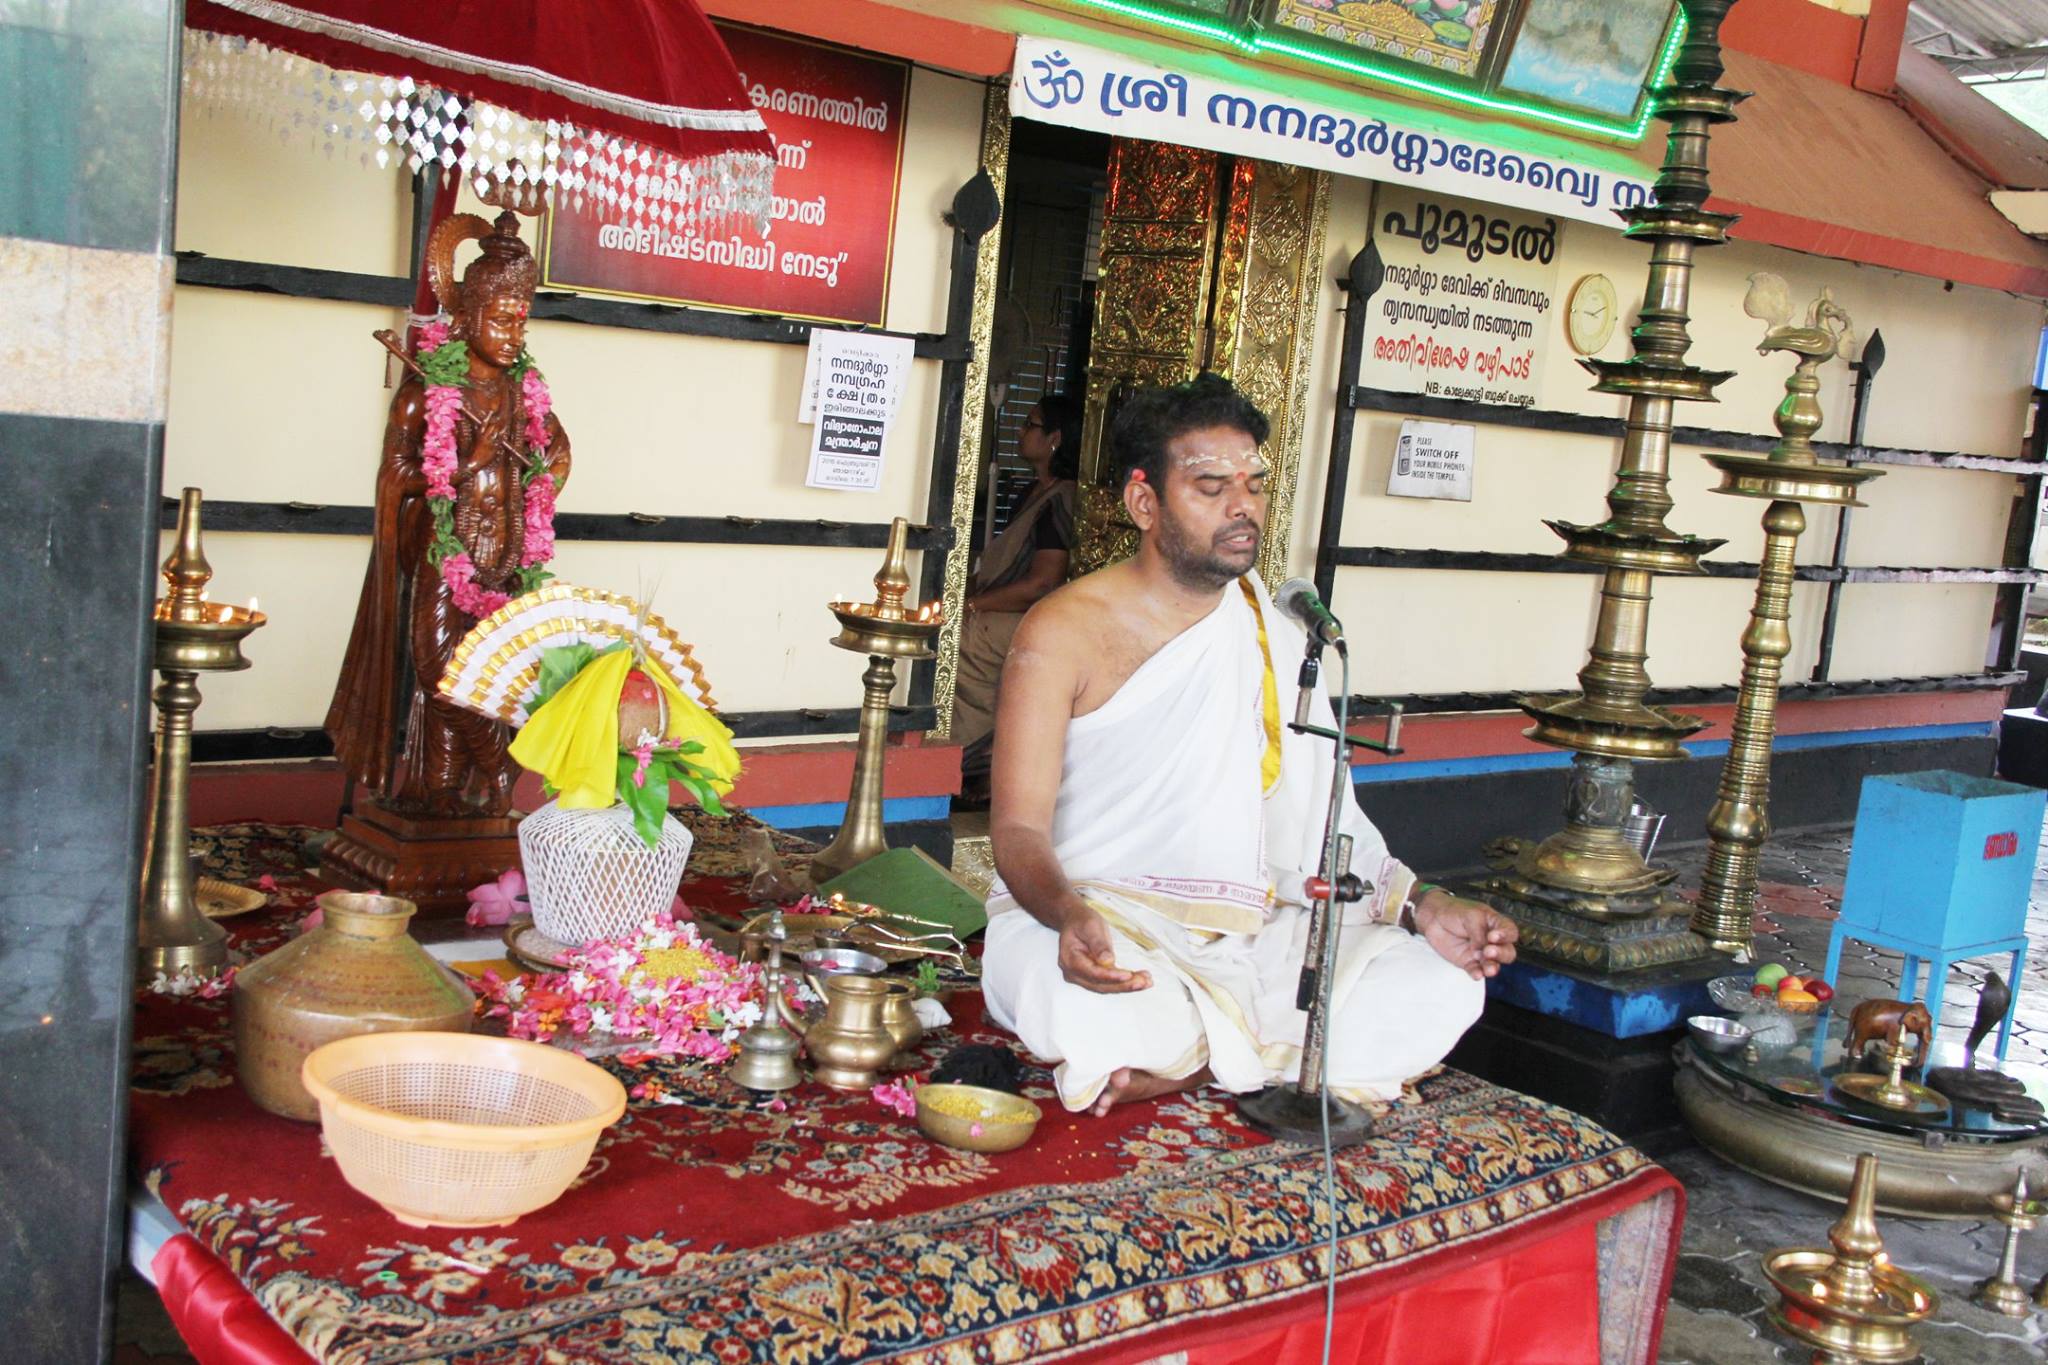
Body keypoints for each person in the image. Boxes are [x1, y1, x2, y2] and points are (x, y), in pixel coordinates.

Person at [982, 373, 1517, 1115]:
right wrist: (1069, 917)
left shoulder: (1276, 628)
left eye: (1254, 484)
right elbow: (1015, 828)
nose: (1243, 506)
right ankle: (1256, 1054)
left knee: (1441, 984)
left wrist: (1422, 903)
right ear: (1145, 501)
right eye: (1210, 486)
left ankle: (1197, 1063)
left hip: (1258, 928)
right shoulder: (1062, 631)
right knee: (1064, 995)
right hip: (1110, 920)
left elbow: (1330, 818)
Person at [326, 209, 571, 817]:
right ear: (467, 315)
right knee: (441, 671)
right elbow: (395, 475)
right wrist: (468, 466)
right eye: (503, 320)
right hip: (446, 551)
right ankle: (500, 768)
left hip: (510, 555)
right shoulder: (426, 394)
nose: (516, 336)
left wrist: (542, 477)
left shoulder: (525, 394)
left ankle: (442, 791)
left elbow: (559, 452)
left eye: (523, 322)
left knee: (497, 673)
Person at [952, 394, 1081, 805]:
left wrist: (972, 605)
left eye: (1031, 424)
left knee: (962, 640)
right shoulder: (1034, 492)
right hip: (1004, 610)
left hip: (1030, 619)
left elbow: (1042, 583)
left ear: (1055, 439)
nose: (1021, 432)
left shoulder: (1063, 498)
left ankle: (968, 765)